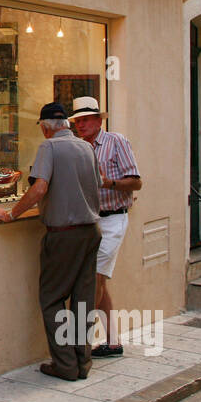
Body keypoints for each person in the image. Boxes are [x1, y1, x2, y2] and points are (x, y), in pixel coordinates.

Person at [0, 102, 101, 381]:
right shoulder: (86, 147)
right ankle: (82, 361)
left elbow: (39, 188)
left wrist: (13, 214)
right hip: (91, 230)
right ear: (67, 124)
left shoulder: (49, 148)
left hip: (64, 234)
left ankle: (65, 365)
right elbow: (96, 184)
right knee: (82, 300)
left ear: (44, 126)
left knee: (52, 298)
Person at [68, 96, 142, 358]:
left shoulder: (116, 142)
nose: (81, 124)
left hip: (113, 219)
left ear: (99, 120)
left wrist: (108, 183)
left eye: (87, 119)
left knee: (94, 279)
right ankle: (112, 341)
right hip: (89, 221)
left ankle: (78, 343)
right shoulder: (77, 147)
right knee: (100, 281)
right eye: (78, 120)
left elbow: (136, 182)